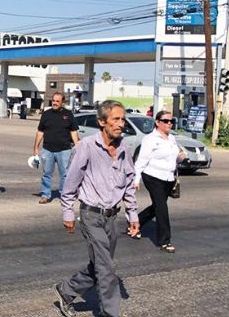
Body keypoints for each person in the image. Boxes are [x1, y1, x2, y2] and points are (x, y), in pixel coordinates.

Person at [54, 100, 139, 317]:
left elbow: (128, 185)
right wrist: (68, 212)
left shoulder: (124, 149)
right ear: (102, 122)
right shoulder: (87, 147)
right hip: (91, 215)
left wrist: (133, 215)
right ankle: (110, 314)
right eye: (116, 119)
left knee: (101, 265)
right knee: (107, 270)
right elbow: (71, 181)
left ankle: (67, 290)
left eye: (123, 119)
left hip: (111, 217)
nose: (121, 124)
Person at [132, 110, 186, 253]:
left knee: (157, 206)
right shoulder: (150, 139)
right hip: (152, 176)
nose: (169, 124)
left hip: (168, 177)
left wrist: (181, 157)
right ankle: (164, 241)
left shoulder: (171, 139)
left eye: (171, 121)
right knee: (161, 208)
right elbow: (141, 161)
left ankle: (135, 222)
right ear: (157, 122)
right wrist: (136, 179)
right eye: (166, 121)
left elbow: (174, 159)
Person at [33, 92, 79, 204]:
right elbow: (40, 132)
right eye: (53, 100)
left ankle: (64, 195)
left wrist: (78, 148)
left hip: (64, 150)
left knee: (65, 174)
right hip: (47, 149)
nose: (54, 103)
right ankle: (45, 195)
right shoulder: (46, 114)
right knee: (46, 174)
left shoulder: (68, 115)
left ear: (62, 102)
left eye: (57, 101)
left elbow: (73, 132)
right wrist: (35, 148)